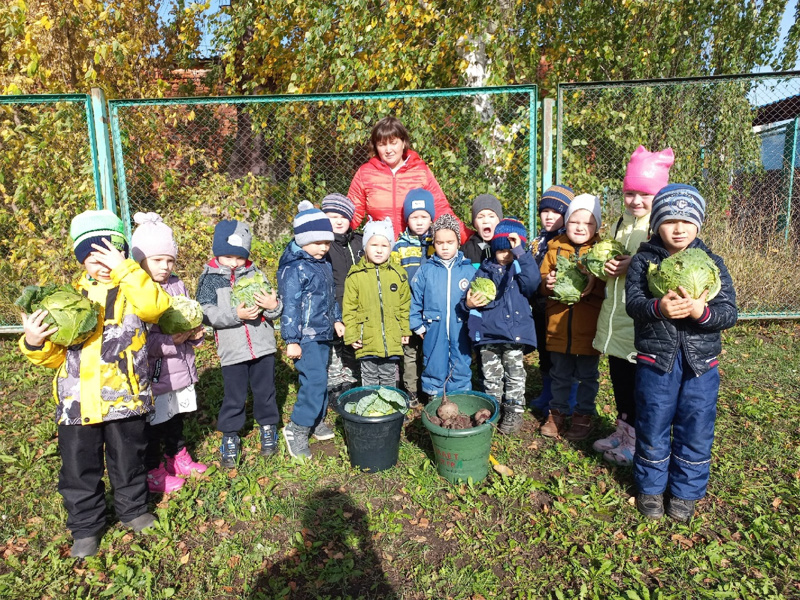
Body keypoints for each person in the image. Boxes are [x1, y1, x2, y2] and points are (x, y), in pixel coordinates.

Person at [20, 209, 171, 558]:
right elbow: (57, 357)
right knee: (78, 466)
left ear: (121, 254)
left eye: (109, 255)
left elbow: (155, 307)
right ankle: (86, 526)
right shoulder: (69, 300)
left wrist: (126, 268)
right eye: (91, 257)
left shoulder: (135, 287)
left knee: (128, 459)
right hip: (77, 404)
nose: (101, 265)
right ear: (80, 260)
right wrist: (34, 342)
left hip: (126, 399)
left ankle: (132, 510)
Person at [626, 184, 737, 522]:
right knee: (652, 422)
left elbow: (729, 313)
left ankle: (686, 493)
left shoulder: (712, 263)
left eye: (687, 221)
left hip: (701, 365)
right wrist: (657, 307)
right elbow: (633, 304)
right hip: (655, 361)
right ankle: (650, 488)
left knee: (697, 425)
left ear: (698, 225)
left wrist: (702, 313)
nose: (679, 228)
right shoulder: (644, 261)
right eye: (670, 220)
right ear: (656, 223)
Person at [592, 146, 674, 465]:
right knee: (620, 381)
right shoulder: (622, 222)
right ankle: (623, 430)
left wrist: (635, 264)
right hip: (616, 319)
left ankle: (638, 440)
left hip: (642, 322)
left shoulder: (661, 225)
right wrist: (606, 266)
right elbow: (613, 260)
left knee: (642, 387)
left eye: (645, 194)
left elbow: (667, 267)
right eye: (630, 193)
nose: (636, 201)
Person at [195, 219, 283, 469]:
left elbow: (274, 307)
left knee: (265, 391)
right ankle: (230, 436)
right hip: (232, 351)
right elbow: (205, 312)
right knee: (234, 396)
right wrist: (236, 315)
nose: (234, 263)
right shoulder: (210, 279)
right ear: (217, 252)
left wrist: (274, 307)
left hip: (263, 346)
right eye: (228, 257)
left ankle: (268, 427)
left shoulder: (256, 274)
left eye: (239, 258)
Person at [131, 212, 206, 494]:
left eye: (169, 260)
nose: (164, 266)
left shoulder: (176, 284)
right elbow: (139, 341)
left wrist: (196, 335)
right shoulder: (138, 292)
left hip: (180, 370)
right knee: (152, 425)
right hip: (156, 374)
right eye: (157, 260)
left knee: (176, 418)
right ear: (141, 261)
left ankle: (177, 457)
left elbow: (191, 317)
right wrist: (172, 341)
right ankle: (153, 470)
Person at [277, 201, 345, 459]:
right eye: (317, 243)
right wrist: (291, 339)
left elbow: (329, 297)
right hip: (305, 336)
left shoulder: (322, 262)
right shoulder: (294, 268)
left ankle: (316, 420)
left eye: (327, 243)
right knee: (314, 380)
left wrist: (336, 319)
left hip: (323, 331)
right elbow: (290, 306)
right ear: (303, 239)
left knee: (321, 378)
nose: (324, 248)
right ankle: (297, 427)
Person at [538, 194, 606, 441]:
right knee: (560, 373)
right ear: (566, 222)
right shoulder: (554, 248)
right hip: (558, 325)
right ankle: (557, 414)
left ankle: (583, 415)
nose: (580, 227)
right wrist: (548, 283)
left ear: (597, 226)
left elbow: (607, 287)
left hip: (588, 328)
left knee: (588, 375)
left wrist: (594, 282)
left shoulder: (601, 252)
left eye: (588, 223)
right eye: (574, 221)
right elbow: (542, 281)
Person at [465, 218, 541, 434]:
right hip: (489, 335)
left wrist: (521, 252)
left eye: (511, 250)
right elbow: (468, 297)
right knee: (490, 374)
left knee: (514, 373)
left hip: (513, 335)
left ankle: (514, 411)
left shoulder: (520, 271)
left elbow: (534, 282)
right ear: (494, 250)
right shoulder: (483, 271)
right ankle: (493, 408)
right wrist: (468, 303)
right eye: (502, 250)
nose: (506, 254)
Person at [347, 116, 471, 243]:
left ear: (403, 142)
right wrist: (335, 232)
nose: (388, 150)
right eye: (382, 145)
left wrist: (469, 239)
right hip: (379, 248)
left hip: (415, 247)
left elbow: (440, 208)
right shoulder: (365, 173)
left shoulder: (420, 171)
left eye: (393, 143)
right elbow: (352, 213)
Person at [409, 214, 477, 397]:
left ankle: (460, 394)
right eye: (439, 243)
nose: (445, 247)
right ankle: (434, 393)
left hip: (460, 326)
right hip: (433, 326)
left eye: (450, 242)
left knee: (461, 360)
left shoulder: (469, 271)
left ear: (458, 242)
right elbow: (416, 299)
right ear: (434, 243)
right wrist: (417, 325)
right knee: (434, 360)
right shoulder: (426, 270)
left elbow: (477, 303)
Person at [343, 217, 411, 386]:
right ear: (365, 246)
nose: (379, 250)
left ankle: (390, 410)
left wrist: (405, 330)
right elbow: (349, 308)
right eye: (374, 245)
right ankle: (371, 411)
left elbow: (404, 305)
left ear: (390, 248)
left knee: (389, 377)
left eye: (384, 245)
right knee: (369, 378)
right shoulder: (355, 276)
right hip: (366, 338)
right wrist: (351, 334)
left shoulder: (398, 274)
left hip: (391, 337)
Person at [527, 185, 576, 416]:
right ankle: (548, 391)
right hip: (539, 306)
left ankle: (571, 396)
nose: (549, 216)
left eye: (556, 212)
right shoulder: (536, 242)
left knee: (564, 354)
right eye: (544, 211)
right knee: (545, 352)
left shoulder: (569, 241)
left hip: (561, 309)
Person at [392, 188, 436, 406]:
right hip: (409, 309)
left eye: (424, 217)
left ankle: (430, 389)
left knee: (430, 350)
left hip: (431, 309)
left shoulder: (436, 243)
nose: (419, 222)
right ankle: (411, 390)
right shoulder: (399, 246)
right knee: (409, 353)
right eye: (414, 217)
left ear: (431, 218)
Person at [323, 193, 363, 399]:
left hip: (357, 307)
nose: (338, 221)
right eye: (331, 216)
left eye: (343, 216)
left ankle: (351, 384)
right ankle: (334, 387)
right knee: (334, 350)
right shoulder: (323, 245)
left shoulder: (359, 242)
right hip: (333, 305)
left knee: (353, 348)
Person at [461, 194, 504, 267]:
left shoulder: (506, 247)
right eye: (480, 217)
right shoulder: (467, 249)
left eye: (491, 216)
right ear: (474, 223)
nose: (486, 221)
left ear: (499, 220)